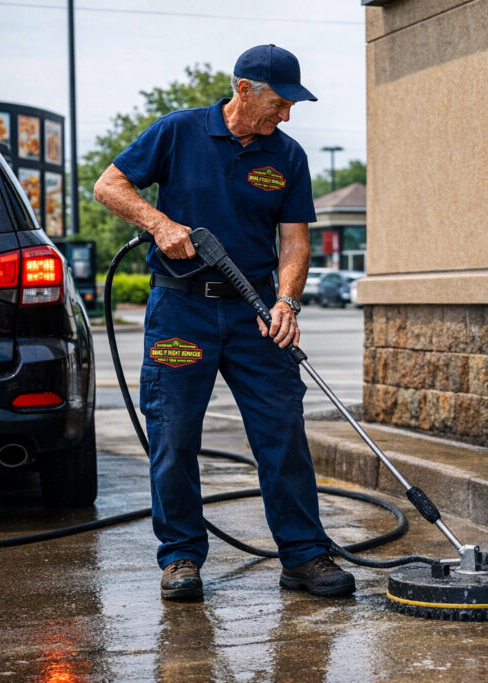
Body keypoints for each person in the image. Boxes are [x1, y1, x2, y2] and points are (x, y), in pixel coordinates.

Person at [93, 44, 355, 602]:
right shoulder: (178, 132)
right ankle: (181, 557)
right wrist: (158, 221)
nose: (285, 116)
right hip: (181, 309)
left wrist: (286, 302)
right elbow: (109, 185)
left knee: (281, 430)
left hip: (255, 311)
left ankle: (305, 555)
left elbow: (295, 241)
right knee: (174, 432)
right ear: (244, 89)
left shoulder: (287, 155)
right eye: (280, 103)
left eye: (291, 106)